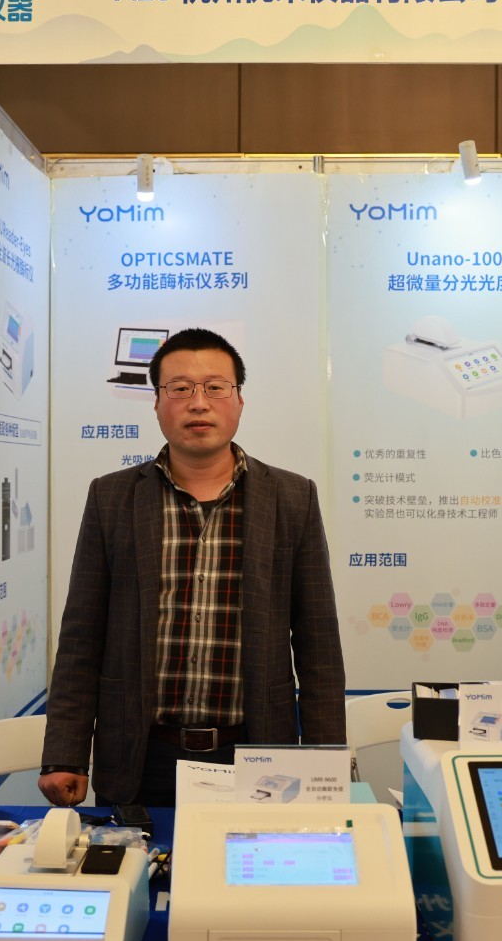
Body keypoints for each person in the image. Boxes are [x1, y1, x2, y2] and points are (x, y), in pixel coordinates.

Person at [38, 328, 346, 807]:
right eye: (180, 388)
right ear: (157, 403)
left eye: (215, 387)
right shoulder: (112, 497)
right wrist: (65, 754)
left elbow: (318, 646)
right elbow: (82, 637)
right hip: (141, 755)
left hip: (257, 753)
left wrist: (326, 762)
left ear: (239, 400)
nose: (198, 403)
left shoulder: (292, 498)